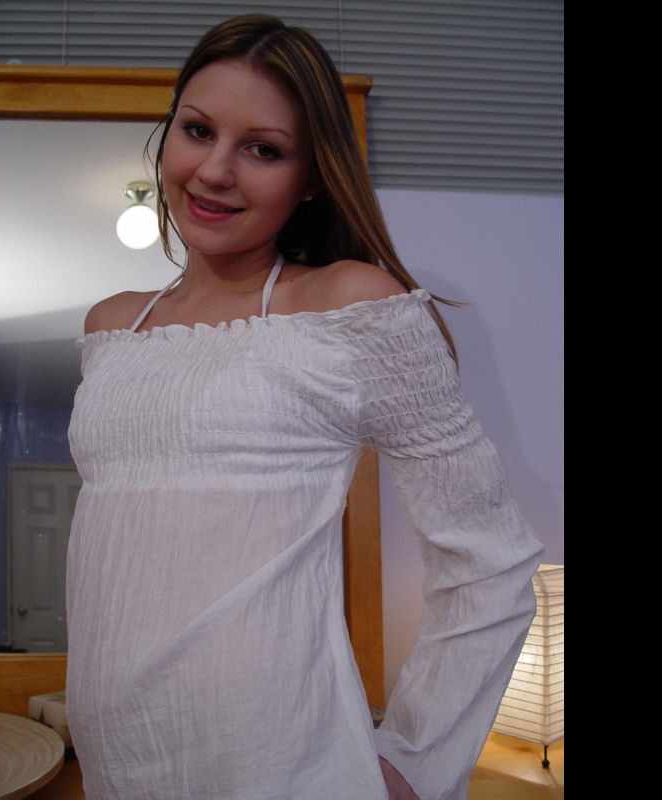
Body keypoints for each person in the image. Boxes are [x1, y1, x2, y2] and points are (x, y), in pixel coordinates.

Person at [65, 14, 543, 800]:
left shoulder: (351, 305)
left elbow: (491, 558)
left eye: (263, 149)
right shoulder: (112, 326)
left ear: (312, 176)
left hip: (288, 771)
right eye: (197, 130)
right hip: (119, 771)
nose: (214, 170)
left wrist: (415, 758)